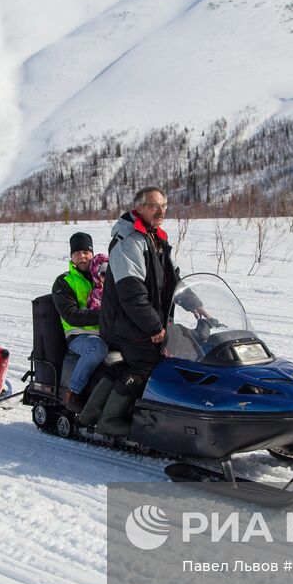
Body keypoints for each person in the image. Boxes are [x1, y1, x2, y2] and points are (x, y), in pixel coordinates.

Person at [80, 186, 203, 435]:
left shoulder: (157, 238)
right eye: (154, 206)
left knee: (180, 351)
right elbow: (131, 293)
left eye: (164, 206)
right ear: (139, 208)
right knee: (150, 363)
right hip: (125, 324)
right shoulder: (129, 241)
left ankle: (92, 412)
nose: (161, 211)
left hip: (142, 320)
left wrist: (195, 304)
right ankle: (109, 420)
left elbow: (173, 278)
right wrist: (154, 326)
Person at [51, 231, 108, 410]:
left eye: (86, 252)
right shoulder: (64, 282)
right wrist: (105, 316)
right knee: (97, 348)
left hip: (106, 332)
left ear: (92, 253)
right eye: (77, 253)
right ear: (71, 257)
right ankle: (73, 392)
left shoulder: (102, 276)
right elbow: (71, 315)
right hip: (79, 336)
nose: (82, 257)